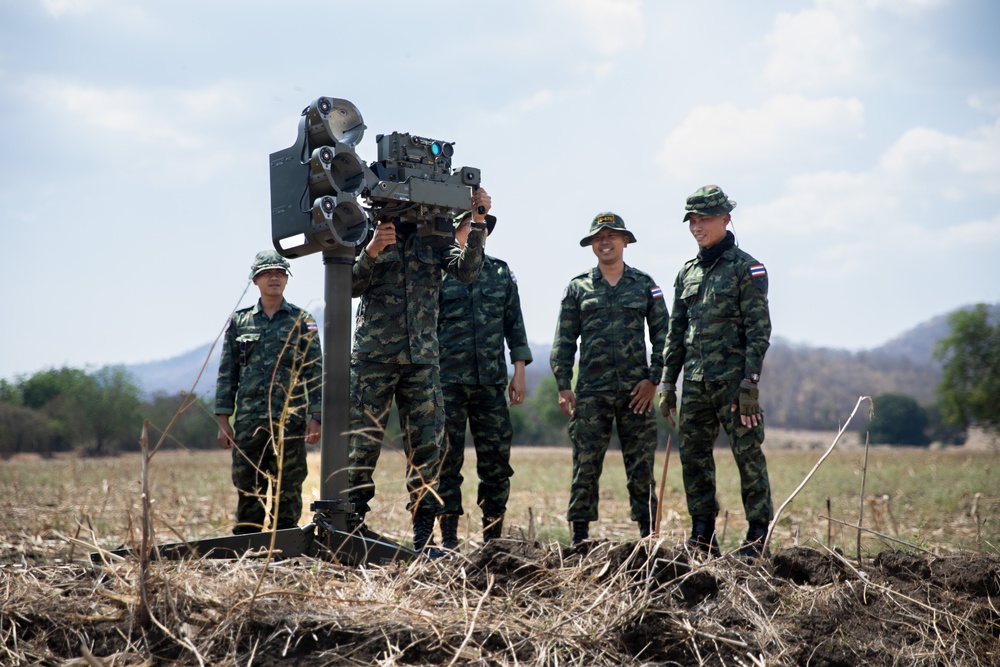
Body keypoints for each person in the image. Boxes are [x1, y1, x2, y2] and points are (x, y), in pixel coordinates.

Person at [348, 188, 491, 555]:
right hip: (373, 359)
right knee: (360, 448)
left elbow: (468, 272)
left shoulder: (436, 237)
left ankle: (424, 540)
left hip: (422, 360)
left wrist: (477, 221)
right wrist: (372, 250)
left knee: (429, 450)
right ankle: (349, 531)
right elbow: (347, 285)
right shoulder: (366, 226)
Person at [658, 185, 774, 559]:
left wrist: (750, 383)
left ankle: (758, 536)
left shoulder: (747, 269)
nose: (697, 226)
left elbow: (759, 331)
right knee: (693, 456)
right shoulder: (686, 273)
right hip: (694, 383)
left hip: (733, 384)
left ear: (726, 218)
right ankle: (703, 535)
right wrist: (666, 383)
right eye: (692, 220)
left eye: (705, 219)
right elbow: (676, 333)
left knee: (748, 455)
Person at [551, 212, 669, 545]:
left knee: (641, 470)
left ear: (625, 241)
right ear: (592, 245)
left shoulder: (645, 285)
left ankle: (648, 542)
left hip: (638, 393)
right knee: (585, 468)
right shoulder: (578, 288)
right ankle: (580, 541)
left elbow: (665, 336)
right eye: (598, 238)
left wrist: (653, 379)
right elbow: (564, 340)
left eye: (612, 236)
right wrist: (563, 385)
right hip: (592, 393)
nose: (605, 242)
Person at [437, 212, 533, 550]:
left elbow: (514, 326)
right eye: (469, 227)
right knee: (446, 461)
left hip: (491, 383)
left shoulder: (500, 272)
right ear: (454, 233)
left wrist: (518, 371)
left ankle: (493, 538)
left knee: (495, 463)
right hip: (447, 382)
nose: (478, 233)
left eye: (482, 228)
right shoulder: (439, 273)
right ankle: (448, 538)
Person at [215, 250, 322, 535]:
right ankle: (247, 545)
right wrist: (224, 420)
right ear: (255, 280)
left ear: (286, 278)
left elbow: (315, 371)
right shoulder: (240, 322)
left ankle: (285, 544)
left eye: (279, 273)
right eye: (266, 273)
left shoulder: (303, 320)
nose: (273, 277)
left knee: (288, 484)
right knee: (248, 483)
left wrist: (317, 416)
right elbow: (228, 373)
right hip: (250, 420)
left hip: (291, 420)